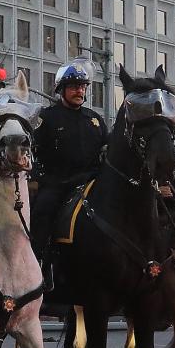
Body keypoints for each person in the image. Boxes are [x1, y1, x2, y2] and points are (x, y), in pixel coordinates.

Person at [29, 58, 107, 260]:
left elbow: (108, 147)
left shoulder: (95, 119)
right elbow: (31, 150)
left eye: (82, 87)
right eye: (73, 87)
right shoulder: (45, 117)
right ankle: (38, 261)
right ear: (61, 89)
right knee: (41, 211)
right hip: (58, 183)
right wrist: (36, 178)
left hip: (92, 181)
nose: (79, 92)